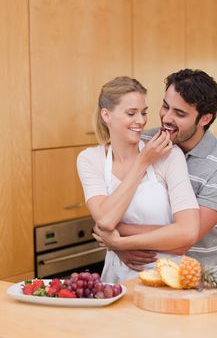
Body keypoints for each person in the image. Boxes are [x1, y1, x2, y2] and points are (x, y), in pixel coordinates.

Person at [106, 69, 217, 275]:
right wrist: (116, 244)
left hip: (204, 279)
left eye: (180, 113)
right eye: (166, 106)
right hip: (150, 275)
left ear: (205, 119)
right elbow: (106, 205)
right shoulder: (143, 141)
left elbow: (184, 240)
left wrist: (118, 237)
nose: (166, 118)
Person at [77, 76, 200, 283]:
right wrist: (142, 162)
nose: (141, 121)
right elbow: (105, 220)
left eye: (143, 112)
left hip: (168, 277)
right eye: (131, 113)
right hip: (117, 280)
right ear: (106, 115)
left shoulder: (169, 155)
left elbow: (188, 231)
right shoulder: (90, 160)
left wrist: (119, 243)